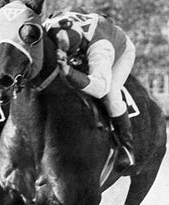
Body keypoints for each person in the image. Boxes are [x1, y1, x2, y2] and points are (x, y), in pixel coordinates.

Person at [44, 10, 136, 174]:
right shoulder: (47, 26)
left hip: (120, 49)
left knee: (111, 94)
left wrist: (70, 72)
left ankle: (126, 147)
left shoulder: (100, 47)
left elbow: (100, 89)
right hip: (84, 33)